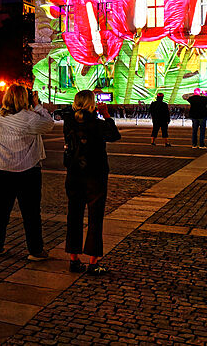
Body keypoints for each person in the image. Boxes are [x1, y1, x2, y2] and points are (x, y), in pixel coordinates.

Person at [0, 85, 55, 261]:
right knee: (31, 212)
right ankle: (35, 250)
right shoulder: (30, 118)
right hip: (27, 170)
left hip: (0, 168)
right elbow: (49, 124)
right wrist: (38, 105)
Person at [63, 89, 121, 276]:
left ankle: (74, 259)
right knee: (95, 218)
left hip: (73, 174)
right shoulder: (98, 124)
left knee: (74, 215)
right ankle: (93, 262)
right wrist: (107, 116)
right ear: (91, 104)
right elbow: (114, 136)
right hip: (95, 175)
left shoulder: (68, 122)